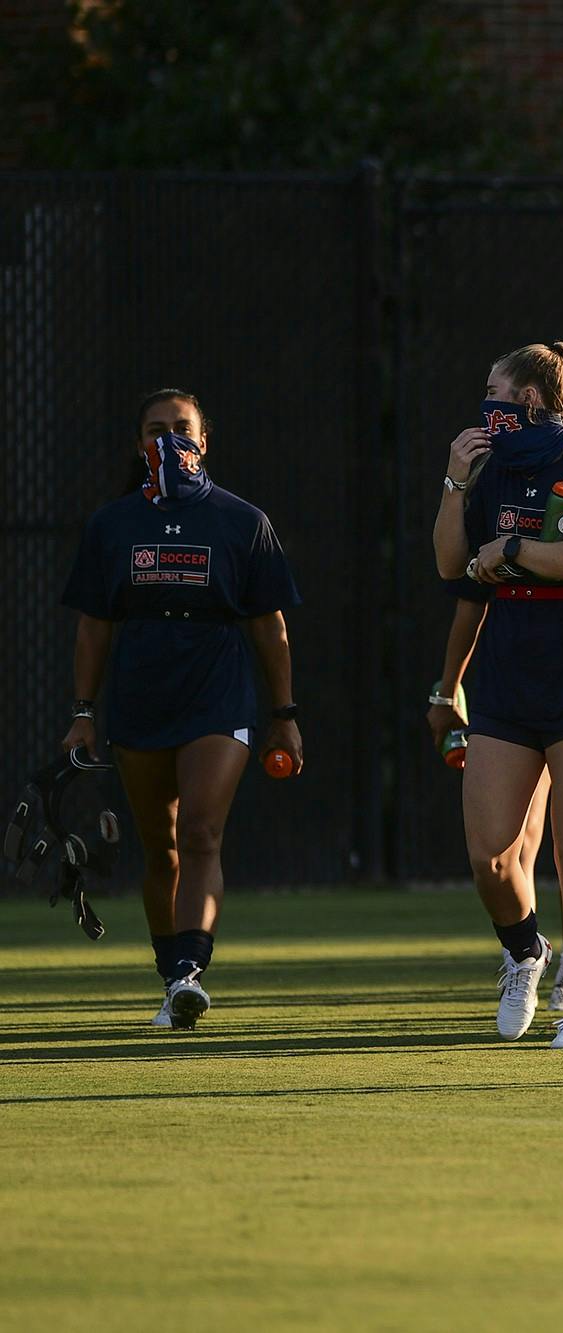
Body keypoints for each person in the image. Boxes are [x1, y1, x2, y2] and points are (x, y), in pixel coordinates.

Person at [59, 389, 301, 1029]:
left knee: (199, 832)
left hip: (217, 690)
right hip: (140, 692)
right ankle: (172, 980)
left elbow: (270, 627)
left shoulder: (242, 520)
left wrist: (285, 712)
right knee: (159, 845)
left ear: (205, 439)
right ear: (139, 444)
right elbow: (93, 627)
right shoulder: (111, 525)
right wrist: (83, 711)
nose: (171, 439)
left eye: (183, 428)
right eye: (156, 429)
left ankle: (191, 969)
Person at [428, 398, 563, 1014]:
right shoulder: (496, 476)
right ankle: (526, 950)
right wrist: (446, 689)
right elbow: (465, 588)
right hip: (508, 681)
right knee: (500, 851)